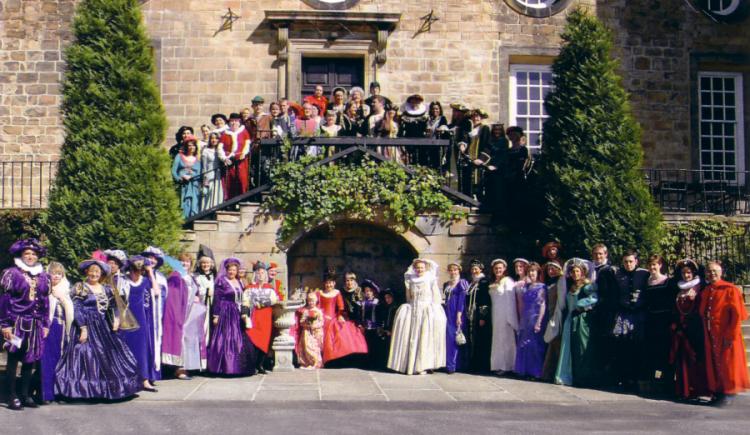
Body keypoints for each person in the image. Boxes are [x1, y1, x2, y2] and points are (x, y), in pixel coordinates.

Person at [55, 259, 141, 400]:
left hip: (103, 326)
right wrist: (83, 328)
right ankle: (85, 391)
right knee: (86, 353)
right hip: (86, 325)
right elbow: (77, 308)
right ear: (86, 272)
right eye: (92, 271)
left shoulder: (107, 289)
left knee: (110, 356)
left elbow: (113, 305)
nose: (94, 274)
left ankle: (107, 390)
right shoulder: (80, 287)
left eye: (97, 272)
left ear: (101, 274)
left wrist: (116, 319)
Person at [1, 239, 51, 410]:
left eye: (33, 254)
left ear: (38, 256)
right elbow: (5, 301)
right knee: (13, 361)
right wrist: (5, 325)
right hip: (17, 323)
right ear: (21, 255)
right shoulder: (12, 273)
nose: (30, 256)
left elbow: (45, 302)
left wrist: (45, 324)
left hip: (36, 324)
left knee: (30, 361)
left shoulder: (44, 276)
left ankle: (25, 394)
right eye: (27, 253)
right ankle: (11, 396)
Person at [699, 260, 750, 406]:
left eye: (715, 271)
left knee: (728, 364)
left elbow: (736, 315)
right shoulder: (707, 290)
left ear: (721, 272)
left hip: (726, 334)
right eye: (709, 271)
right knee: (715, 363)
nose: (711, 273)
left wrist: (730, 336)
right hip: (711, 333)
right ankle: (718, 391)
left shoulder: (730, 289)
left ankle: (729, 392)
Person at [388, 259, 446, 375]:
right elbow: (409, 296)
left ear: (425, 268)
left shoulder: (430, 278)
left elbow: (435, 295)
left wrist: (435, 310)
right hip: (414, 310)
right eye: (418, 268)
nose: (420, 270)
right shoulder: (411, 280)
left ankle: (423, 365)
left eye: (422, 267)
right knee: (412, 336)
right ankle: (410, 365)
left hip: (426, 310)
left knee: (425, 337)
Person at [554, 258, 599, 387]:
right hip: (570, 319)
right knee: (571, 348)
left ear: (583, 272)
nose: (575, 274)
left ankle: (585, 378)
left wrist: (580, 305)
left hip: (582, 320)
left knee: (582, 348)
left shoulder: (587, 285)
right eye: (573, 272)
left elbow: (594, 298)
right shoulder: (571, 286)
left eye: (578, 271)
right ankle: (573, 376)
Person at [207, 257, 255, 375]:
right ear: (226, 270)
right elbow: (217, 299)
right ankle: (225, 367)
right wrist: (216, 315)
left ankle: (239, 367)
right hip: (226, 312)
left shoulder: (239, 281)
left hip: (237, 312)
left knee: (239, 338)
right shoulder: (221, 281)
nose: (232, 272)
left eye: (234, 270)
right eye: (230, 270)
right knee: (226, 338)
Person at [118, 255, 159, 392]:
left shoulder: (146, 281)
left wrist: (150, 272)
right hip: (126, 317)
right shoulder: (123, 281)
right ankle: (128, 380)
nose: (136, 273)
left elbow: (157, 292)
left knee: (141, 349)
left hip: (141, 319)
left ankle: (145, 380)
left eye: (139, 270)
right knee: (127, 349)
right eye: (134, 270)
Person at [670, 259, 709, 401]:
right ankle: (684, 391)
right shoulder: (679, 289)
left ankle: (698, 390)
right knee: (682, 361)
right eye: (683, 273)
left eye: (689, 272)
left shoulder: (700, 288)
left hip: (694, 329)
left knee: (695, 359)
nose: (686, 275)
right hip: (680, 330)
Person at [163, 253, 207, 379]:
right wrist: (177, 315)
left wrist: (197, 297)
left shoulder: (189, 277)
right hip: (180, 313)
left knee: (189, 340)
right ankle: (179, 369)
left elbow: (194, 292)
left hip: (191, 313)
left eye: (187, 262)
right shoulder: (175, 277)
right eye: (182, 261)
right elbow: (173, 299)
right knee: (180, 339)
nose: (185, 264)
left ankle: (186, 366)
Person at [610, 250, 649, 391]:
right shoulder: (617, 274)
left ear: (636, 261)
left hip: (639, 314)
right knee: (623, 346)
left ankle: (638, 378)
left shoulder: (644, 274)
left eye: (631, 261)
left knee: (638, 346)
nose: (628, 264)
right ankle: (624, 379)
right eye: (625, 261)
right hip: (624, 313)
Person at [642, 254, 677, 395]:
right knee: (652, 350)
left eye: (655, 264)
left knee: (665, 350)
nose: (652, 267)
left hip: (664, 320)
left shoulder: (667, 282)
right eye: (650, 265)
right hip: (651, 320)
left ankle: (668, 381)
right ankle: (653, 383)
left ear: (660, 265)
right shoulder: (647, 282)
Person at [39, 262, 73, 404]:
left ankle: (60, 392)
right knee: (46, 361)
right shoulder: (43, 288)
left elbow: (70, 310)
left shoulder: (66, 289)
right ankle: (46, 394)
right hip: (47, 327)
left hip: (62, 327)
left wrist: (62, 298)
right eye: (54, 273)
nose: (56, 276)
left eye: (59, 273)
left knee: (60, 361)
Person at [318, 269, 367, 365]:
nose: (349, 282)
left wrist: (358, 322)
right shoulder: (341, 291)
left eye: (351, 280)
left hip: (355, 318)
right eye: (347, 280)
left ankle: (352, 357)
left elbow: (343, 307)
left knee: (348, 334)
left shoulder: (358, 292)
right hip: (332, 316)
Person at [515, 262, 547, 379]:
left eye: (534, 271)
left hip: (536, 318)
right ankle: (525, 370)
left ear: (538, 273)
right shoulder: (526, 286)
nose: (531, 273)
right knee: (524, 345)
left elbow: (543, 305)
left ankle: (536, 372)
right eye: (530, 271)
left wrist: (539, 322)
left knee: (535, 346)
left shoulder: (541, 286)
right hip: (526, 318)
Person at [245, 261, 277, 374]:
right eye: (258, 273)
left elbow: (273, 300)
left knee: (264, 339)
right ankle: (252, 365)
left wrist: (262, 303)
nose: (260, 275)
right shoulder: (249, 287)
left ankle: (260, 365)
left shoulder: (270, 287)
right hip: (253, 316)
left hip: (265, 316)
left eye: (262, 273)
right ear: (255, 274)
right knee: (252, 339)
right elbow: (245, 300)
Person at [489, 259, 518, 375]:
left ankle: (507, 366)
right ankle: (497, 364)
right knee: (497, 340)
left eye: (500, 268)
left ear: (504, 269)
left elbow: (510, 300)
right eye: (496, 268)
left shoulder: (508, 281)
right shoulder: (493, 282)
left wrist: (510, 317)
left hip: (505, 314)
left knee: (506, 340)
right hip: (495, 314)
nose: (498, 270)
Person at [465, 259, 492, 373]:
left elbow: (485, 300)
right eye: (472, 269)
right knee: (472, 339)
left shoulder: (484, 281)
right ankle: (472, 364)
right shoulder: (471, 283)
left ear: (481, 269)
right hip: (470, 313)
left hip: (478, 314)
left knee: (480, 339)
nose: (474, 271)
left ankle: (480, 366)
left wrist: (482, 317)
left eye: (476, 269)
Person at [443, 261, 468, 374]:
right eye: (451, 270)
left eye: (455, 270)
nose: (453, 272)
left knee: (454, 338)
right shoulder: (447, 284)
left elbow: (462, 301)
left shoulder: (461, 283)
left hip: (456, 313)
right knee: (448, 339)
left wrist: (459, 315)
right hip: (447, 312)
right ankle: (448, 363)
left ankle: (453, 365)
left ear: (459, 270)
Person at [459, 109, 492, 198]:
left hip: (478, 160)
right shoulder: (470, 129)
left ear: (481, 118)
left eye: (477, 116)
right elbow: (465, 140)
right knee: (468, 182)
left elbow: (488, 145)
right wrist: (463, 145)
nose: (475, 118)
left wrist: (481, 159)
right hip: (469, 159)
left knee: (478, 182)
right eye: (474, 116)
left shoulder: (485, 128)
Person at [218, 112, 251, 200]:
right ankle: (229, 200)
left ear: (239, 122)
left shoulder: (244, 132)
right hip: (229, 160)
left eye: (236, 121)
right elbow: (220, 148)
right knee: (230, 180)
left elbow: (247, 144)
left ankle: (243, 198)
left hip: (241, 160)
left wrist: (244, 153)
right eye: (232, 121)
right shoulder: (225, 134)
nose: (234, 123)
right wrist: (224, 158)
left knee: (242, 179)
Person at [541, 261, 564, 381]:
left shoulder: (560, 281)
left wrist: (557, 316)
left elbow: (561, 301)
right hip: (548, 314)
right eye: (549, 269)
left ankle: (552, 373)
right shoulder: (549, 282)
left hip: (556, 315)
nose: (551, 271)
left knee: (555, 344)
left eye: (553, 268)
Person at [172, 134, 202, 218]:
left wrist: (192, 176)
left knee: (194, 203)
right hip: (182, 185)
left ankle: (192, 219)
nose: (191, 147)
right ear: (186, 146)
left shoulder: (198, 158)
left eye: (193, 145)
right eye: (189, 145)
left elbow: (200, 172)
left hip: (194, 185)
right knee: (182, 203)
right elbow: (174, 171)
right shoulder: (179, 156)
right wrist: (180, 178)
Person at [193, 246, 216, 349]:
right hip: (201, 307)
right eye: (203, 263)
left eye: (207, 263)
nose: (205, 265)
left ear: (211, 264)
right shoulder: (195, 276)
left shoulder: (215, 277)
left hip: (213, 307)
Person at [296, 291, 324, 369]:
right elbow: (301, 321)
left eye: (312, 301)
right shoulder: (305, 311)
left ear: (316, 301)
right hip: (306, 331)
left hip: (315, 332)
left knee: (314, 347)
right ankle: (306, 362)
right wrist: (306, 324)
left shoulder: (318, 311)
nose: (311, 303)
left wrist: (314, 326)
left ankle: (315, 362)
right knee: (306, 346)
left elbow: (321, 322)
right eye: (309, 301)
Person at [357, 279, 381, 369]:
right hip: (365, 327)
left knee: (374, 345)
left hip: (375, 327)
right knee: (365, 345)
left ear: (373, 292)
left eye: (370, 291)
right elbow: (359, 315)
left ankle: (375, 363)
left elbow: (380, 314)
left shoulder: (377, 302)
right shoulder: (362, 303)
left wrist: (379, 325)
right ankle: (366, 363)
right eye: (366, 291)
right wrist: (360, 324)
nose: (368, 293)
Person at [399, 94, 428, 164]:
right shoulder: (405, 115)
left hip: (421, 138)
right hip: (408, 138)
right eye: (413, 102)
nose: (415, 103)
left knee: (421, 157)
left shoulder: (425, 115)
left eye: (417, 102)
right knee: (409, 157)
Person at [201, 132, 224, 210]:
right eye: (212, 138)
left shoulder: (220, 150)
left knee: (217, 193)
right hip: (209, 174)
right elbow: (204, 166)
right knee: (209, 194)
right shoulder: (206, 151)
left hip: (218, 174)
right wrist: (205, 179)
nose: (214, 140)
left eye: (216, 138)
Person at [375, 289, 397, 370]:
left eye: (389, 297)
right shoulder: (384, 307)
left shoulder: (395, 308)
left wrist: (391, 331)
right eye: (386, 298)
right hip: (385, 331)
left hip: (393, 331)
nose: (387, 300)